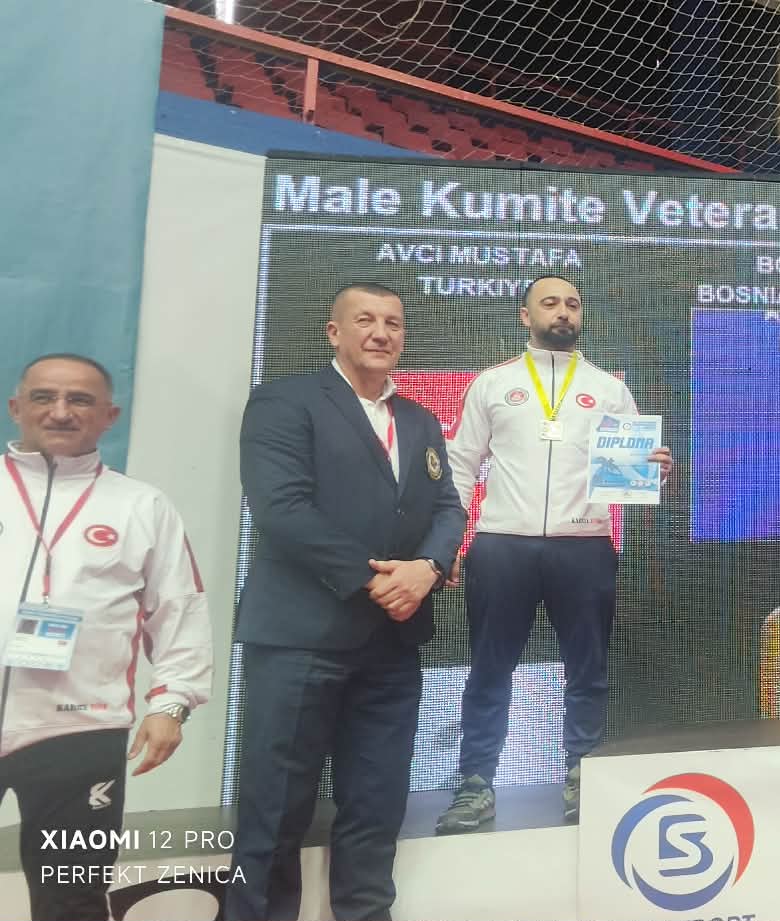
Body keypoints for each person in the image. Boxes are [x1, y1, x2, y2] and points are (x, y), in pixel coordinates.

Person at [228, 284, 465, 921]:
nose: (381, 333)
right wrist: (375, 581)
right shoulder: (284, 401)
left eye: (393, 323)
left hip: (392, 647)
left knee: (377, 806)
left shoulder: (419, 420)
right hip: (300, 640)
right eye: (365, 320)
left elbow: (448, 507)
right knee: (274, 810)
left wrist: (428, 568)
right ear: (334, 332)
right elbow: (282, 509)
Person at [435, 275, 672, 834]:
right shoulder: (493, 383)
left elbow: (628, 477)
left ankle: (581, 775)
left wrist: (652, 470)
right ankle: (475, 783)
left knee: (587, 669)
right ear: (526, 316)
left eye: (572, 304)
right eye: (550, 303)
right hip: (501, 545)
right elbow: (460, 465)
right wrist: (448, 542)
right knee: (489, 670)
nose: (563, 312)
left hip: (584, 545)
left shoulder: (608, 388)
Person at [0, 353, 212, 921]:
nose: (60, 411)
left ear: (109, 415)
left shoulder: (142, 505)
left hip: (81, 732)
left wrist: (171, 704)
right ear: (16, 407)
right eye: (44, 397)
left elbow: (180, 610)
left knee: (72, 898)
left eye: (80, 400)